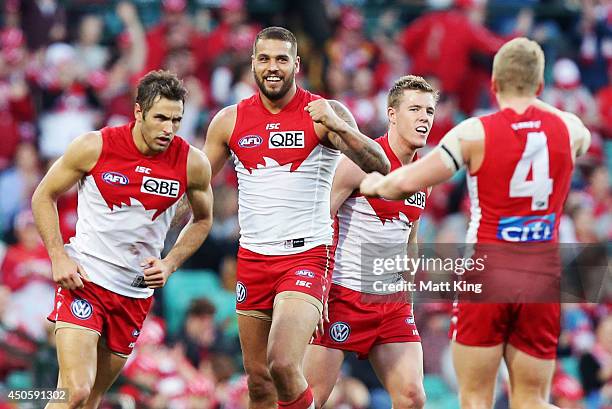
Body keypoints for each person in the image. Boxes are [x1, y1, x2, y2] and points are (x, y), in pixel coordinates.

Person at [360, 37, 591, 409]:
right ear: (540, 85)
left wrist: (375, 182)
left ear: (494, 84)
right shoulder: (569, 128)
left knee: (475, 400)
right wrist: (533, 99)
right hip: (542, 275)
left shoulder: (474, 132)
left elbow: (409, 179)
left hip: (488, 271)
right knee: (532, 399)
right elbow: (573, 137)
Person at [204, 26, 389, 409]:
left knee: (283, 364)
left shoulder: (324, 112)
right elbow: (196, 187)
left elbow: (381, 164)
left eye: (282, 59)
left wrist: (338, 125)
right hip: (253, 258)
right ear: (253, 63)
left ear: (296, 65)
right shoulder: (229, 120)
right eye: (264, 58)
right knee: (258, 383)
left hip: (305, 257)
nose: (273, 67)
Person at [31, 70, 214, 409]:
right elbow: (44, 195)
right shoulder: (94, 145)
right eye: (160, 118)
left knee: (91, 400)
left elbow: (203, 220)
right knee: (75, 391)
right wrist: (58, 256)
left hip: (134, 293)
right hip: (84, 280)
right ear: (138, 112)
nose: (168, 129)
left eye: (176, 120)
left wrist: (170, 262)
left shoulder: (192, 163)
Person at [303, 75, 437, 409]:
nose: (425, 118)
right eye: (415, 109)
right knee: (310, 400)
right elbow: (317, 222)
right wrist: (312, 289)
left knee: (412, 397)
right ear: (392, 115)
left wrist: (406, 287)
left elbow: (412, 236)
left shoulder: (424, 175)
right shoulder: (358, 163)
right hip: (340, 297)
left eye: (430, 111)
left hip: (391, 305)